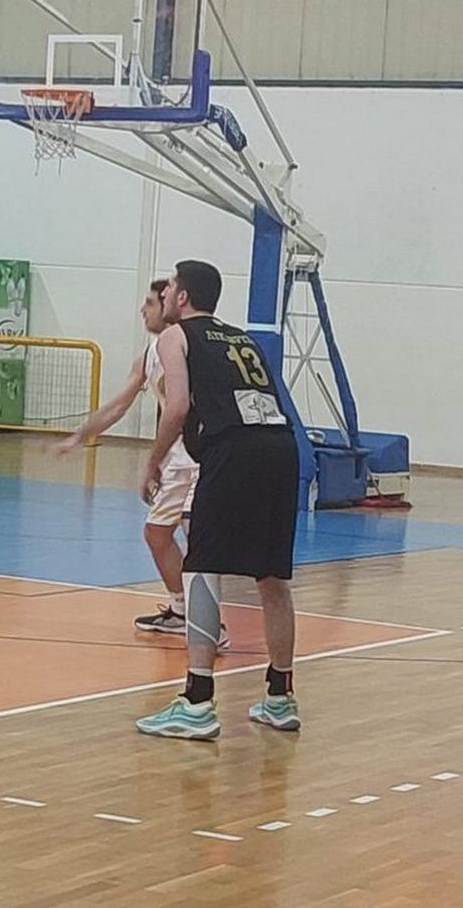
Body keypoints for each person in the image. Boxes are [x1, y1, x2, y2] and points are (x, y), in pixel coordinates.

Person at [133, 261, 302, 741]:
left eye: (169, 287)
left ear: (182, 297)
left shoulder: (175, 336)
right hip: (280, 448)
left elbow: (178, 406)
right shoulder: (241, 338)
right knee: (272, 576)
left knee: (201, 567)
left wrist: (153, 461)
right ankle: (279, 697)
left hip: (233, 450)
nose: (164, 294)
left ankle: (197, 701)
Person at [57, 279, 206, 637]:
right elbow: (118, 405)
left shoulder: (187, 346)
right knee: (158, 533)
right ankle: (183, 608)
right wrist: (81, 432)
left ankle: (206, 621)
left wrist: (153, 461)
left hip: (198, 456)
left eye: (151, 302)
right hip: (178, 459)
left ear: (171, 304)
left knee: (195, 541)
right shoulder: (151, 353)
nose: (143, 309)